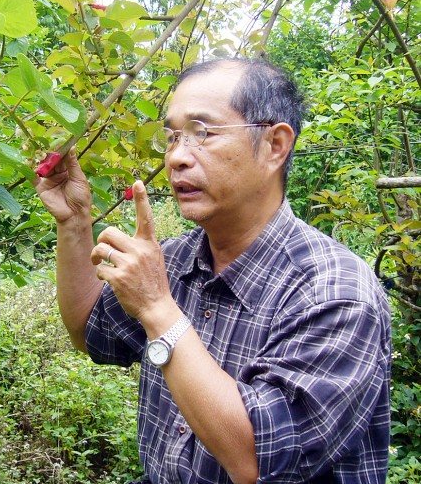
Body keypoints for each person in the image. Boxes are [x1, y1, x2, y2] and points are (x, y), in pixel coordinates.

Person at [33, 58, 391, 484]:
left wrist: (158, 309)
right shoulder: (175, 260)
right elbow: (88, 331)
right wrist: (75, 221)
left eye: (202, 133)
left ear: (275, 145)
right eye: (171, 137)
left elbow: (255, 461)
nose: (177, 157)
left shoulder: (335, 292)